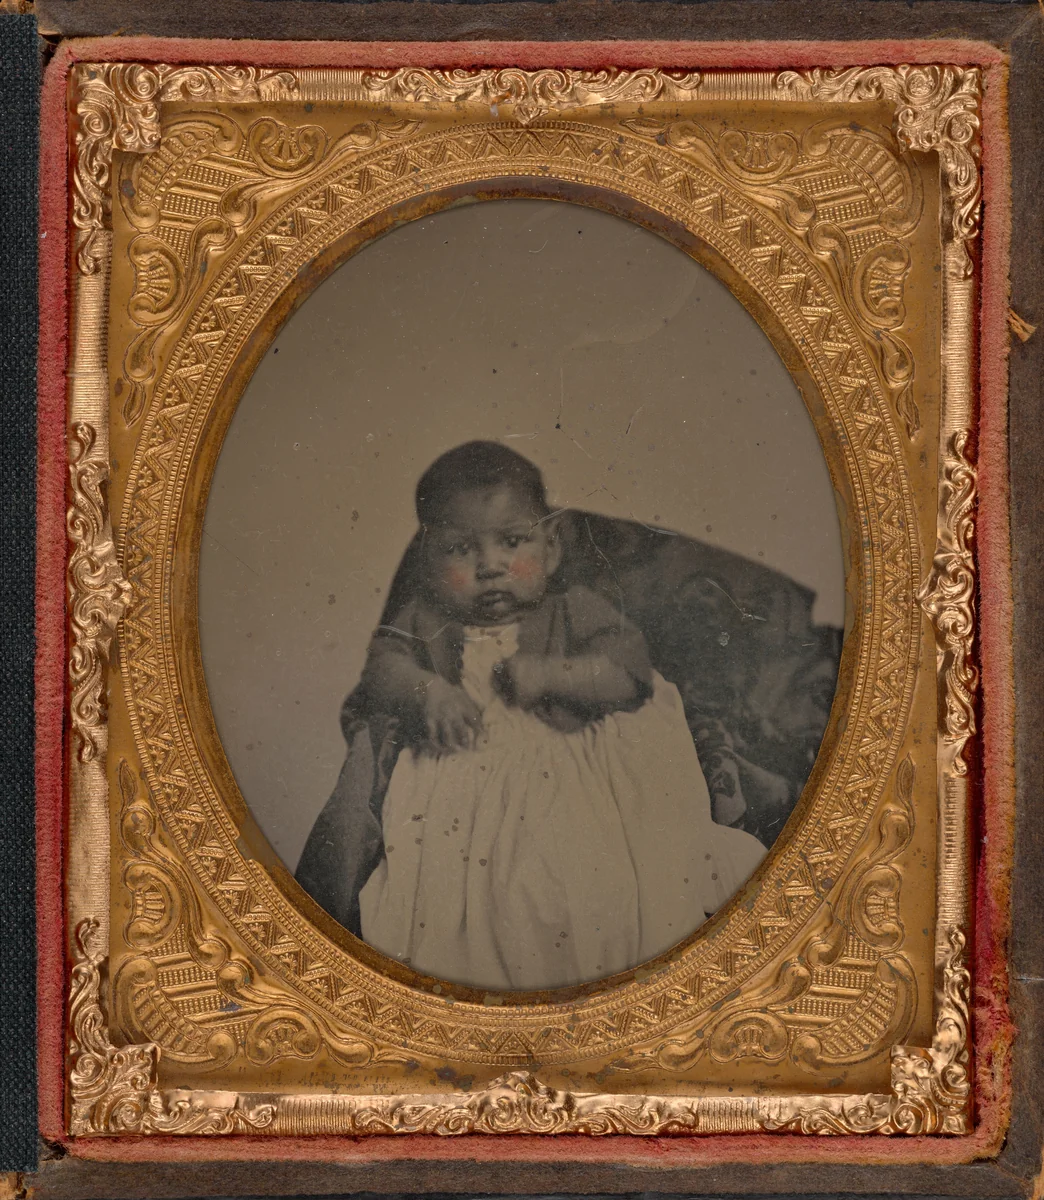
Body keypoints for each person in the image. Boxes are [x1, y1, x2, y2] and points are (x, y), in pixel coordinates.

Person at [296, 441, 765, 991]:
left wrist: (552, 675)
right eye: (460, 549)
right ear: (428, 560)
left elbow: (629, 672)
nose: (490, 565)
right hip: (463, 775)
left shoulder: (572, 608)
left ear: (551, 548)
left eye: (512, 542)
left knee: (583, 877)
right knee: (463, 898)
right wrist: (430, 693)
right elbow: (382, 667)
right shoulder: (428, 619)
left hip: (574, 767)